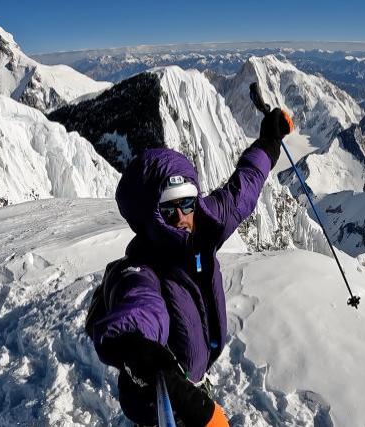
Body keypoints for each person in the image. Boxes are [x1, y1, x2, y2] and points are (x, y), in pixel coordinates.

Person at [85, 108, 294, 426]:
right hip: (161, 404)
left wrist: (268, 142)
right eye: (169, 207)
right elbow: (139, 309)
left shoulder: (205, 224)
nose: (182, 216)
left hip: (189, 383)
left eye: (188, 202)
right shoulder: (144, 268)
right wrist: (145, 356)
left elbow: (244, 188)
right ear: (150, 215)